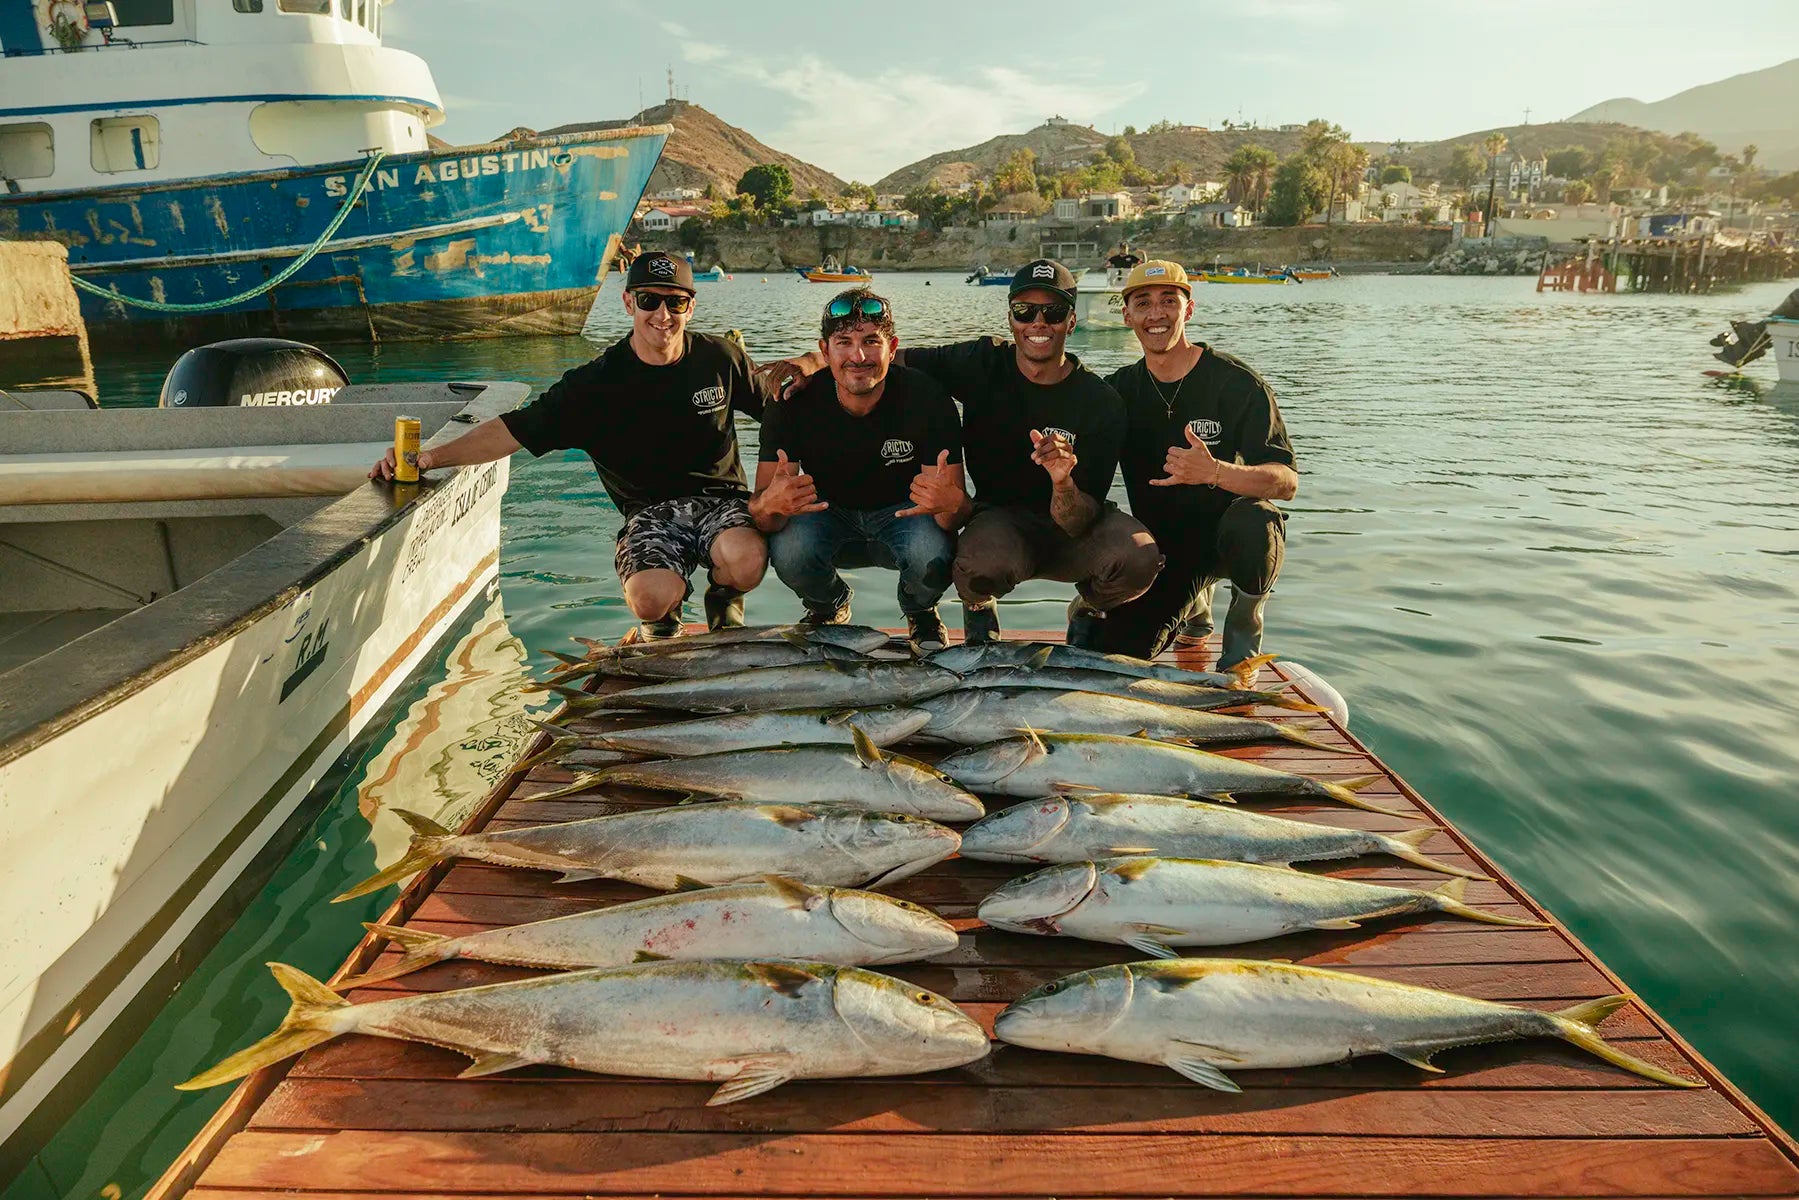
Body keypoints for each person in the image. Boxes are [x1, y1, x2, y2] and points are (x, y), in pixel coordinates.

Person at [761, 258, 1162, 646]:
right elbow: (879, 360)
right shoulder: (980, 361)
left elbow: (1080, 520)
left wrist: (1062, 482)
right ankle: (976, 601)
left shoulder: (1101, 401)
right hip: (1001, 520)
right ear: (1010, 318)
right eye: (1025, 311)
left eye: (1053, 312)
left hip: (1075, 520)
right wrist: (810, 362)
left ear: (1071, 320)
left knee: (1140, 557)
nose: (1038, 323)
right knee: (975, 561)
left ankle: (1090, 607)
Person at [370, 251, 769, 639]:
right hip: (650, 513)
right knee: (649, 598)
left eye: (676, 302)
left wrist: (809, 369)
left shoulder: (721, 358)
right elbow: (515, 430)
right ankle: (664, 624)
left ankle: (725, 605)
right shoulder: (593, 385)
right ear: (629, 302)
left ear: (691, 307)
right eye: (649, 300)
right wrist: (430, 458)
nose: (663, 316)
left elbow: (782, 413)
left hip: (721, 504)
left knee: (748, 558)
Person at [1096, 260, 1297, 668]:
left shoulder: (1238, 383)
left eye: (1169, 301)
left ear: (1188, 310)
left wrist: (1216, 473)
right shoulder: (1116, 391)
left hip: (1230, 538)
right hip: (1166, 550)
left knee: (1256, 521)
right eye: (1143, 302)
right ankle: (1195, 610)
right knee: (1118, 654)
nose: (1156, 314)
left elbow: (1285, 482)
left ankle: (1244, 627)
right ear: (1126, 315)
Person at [750, 289, 966, 650]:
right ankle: (828, 604)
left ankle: (920, 609)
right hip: (827, 512)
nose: (858, 356)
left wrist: (951, 503)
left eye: (871, 341)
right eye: (844, 342)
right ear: (824, 351)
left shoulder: (928, 399)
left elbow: (953, 517)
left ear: (892, 348)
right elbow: (762, 516)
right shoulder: (791, 403)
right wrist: (771, 504)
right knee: (788, 547)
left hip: (904, 512)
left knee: (933, 548)